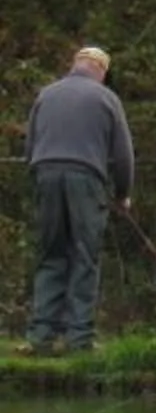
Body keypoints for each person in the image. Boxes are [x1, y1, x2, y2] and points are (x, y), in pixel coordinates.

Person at [23, 45, 133, 356]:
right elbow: (123, 155)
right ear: (101, 71)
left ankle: (41, 336)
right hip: (85, 177)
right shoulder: (106, 98)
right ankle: (79, 338)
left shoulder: (47, 94)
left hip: (45, 173)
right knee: (85, 255)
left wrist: (38, 176)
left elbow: (30, 145)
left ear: (75, 65)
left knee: (50, 253)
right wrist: (123, 194)